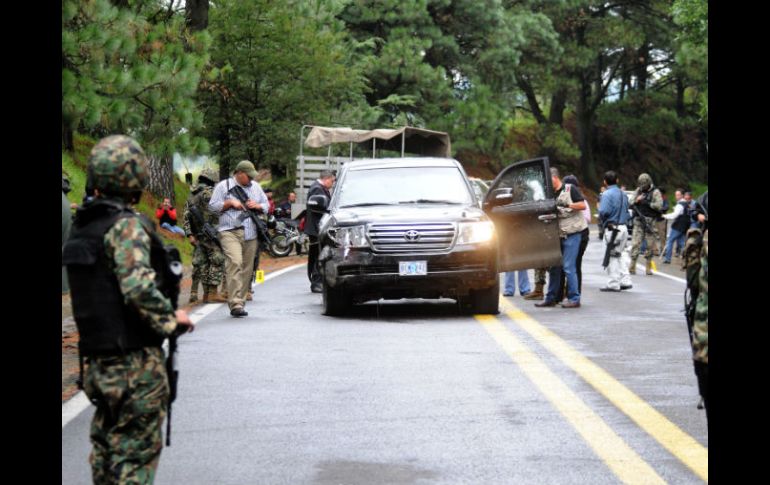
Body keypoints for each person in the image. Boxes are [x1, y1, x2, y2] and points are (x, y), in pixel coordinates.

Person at [61, 135, 194, 484]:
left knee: (107, 456)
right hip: (133, 365)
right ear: (135, 178)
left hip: (98, 365)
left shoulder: (83, 226)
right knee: (133, 460)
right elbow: (137, 287)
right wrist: (171, 319)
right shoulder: (125, 227)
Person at [209, 160, 268, 317]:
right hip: (230, 231)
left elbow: (266, 205)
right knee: (235, 262)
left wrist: (258, 206)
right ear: (240, 174)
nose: (251, 179)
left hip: (251, 233)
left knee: (247, 268)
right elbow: (212, 207)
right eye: (249, 176)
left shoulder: (256, 187)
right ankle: (235, 303)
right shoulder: (224, 186)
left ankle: (240, 302)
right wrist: (229, 203)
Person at [535, 168, 587, 309]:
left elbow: (582, 205)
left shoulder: (570, 189)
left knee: (569, 267)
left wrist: (568, 204)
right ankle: (551, 298)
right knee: (554, 267)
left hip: (572, 233)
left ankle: (574, 298)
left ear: (555, 178)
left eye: (548, 180)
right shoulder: (550, 193)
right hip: (557, 234)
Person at [183, 168, 226, 303]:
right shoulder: (209, 193)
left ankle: (206, 294)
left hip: (199, 235)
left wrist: (190, 234)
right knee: (217, 259)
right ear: (212, 179)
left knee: (205, 263)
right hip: (211, 232)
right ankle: (213, 292)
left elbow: (186, 216)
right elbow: (217, 211)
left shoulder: (191, 195)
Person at [598, 170, 633, 292]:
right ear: (617, 180)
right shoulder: (623, 194)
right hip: (623, 227)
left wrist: (602, 218)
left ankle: (613, 283)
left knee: (611, 255)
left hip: (612, 228)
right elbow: (628, 211)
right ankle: (625, 280)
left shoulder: (606, 194)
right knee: (620, 254)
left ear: (605, 182)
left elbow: (604, 211)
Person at [305, 170, 336, 293]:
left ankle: (318, 280)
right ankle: (316, 282)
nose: (332, 184)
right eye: (332, 181)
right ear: (327, 179)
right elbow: (319, 209)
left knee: (318, 254)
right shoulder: (317, 189)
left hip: (318, 227)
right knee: (319, 255)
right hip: (317, 228)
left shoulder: (318, 188)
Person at [628, 173, 663, 275]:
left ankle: (648, 267)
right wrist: (637, 200)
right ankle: (632, 266)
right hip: (638, 221)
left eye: (644, 184)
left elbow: (659, 205)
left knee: (650, 245)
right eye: (641, 184)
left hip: (650, 222)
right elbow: (630, 202)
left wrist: (648, 203)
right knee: (635, 243)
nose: (643, 187)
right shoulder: (638, 191)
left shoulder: (655, 192)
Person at [562, 175, 590, 295]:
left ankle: (574, 292)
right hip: (573, 233)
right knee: (571, 265)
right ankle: (570, 291)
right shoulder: (576, 198)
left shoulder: (579, 200)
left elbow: (587, 218)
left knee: (575, 264)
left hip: (579, 233)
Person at [662, 188, 689, 264]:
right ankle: (687, 259)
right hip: (684, 226)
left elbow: (674, 215)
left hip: (678, 226)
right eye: (676, 195)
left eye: (678, 195)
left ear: (682, 195)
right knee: (682, 243)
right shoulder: (686, 204)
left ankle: (667, 258)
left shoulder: (680, 205)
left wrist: (664, 216)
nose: (676, 196)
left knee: (670, 241)